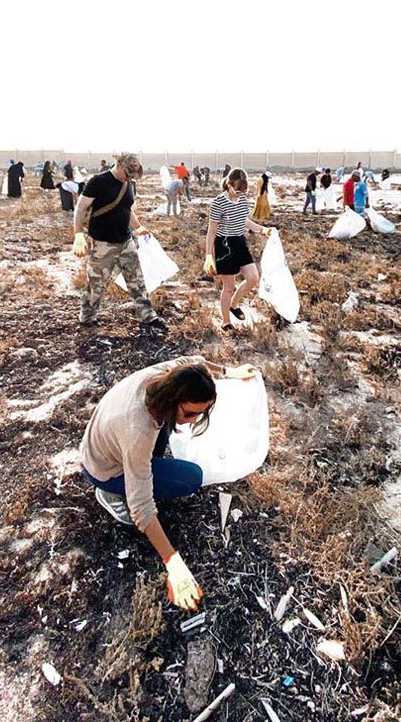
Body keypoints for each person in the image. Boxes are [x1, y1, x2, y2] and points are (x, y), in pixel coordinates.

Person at [82, 356, 258, 610]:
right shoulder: (140, 429)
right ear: (174, 400)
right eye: (189, 413)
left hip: (103, 445)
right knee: (189, 479)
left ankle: (136, 472)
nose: (195, 420)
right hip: (104, 468)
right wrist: (173, 562)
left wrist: (230, 371)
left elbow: (197, 362)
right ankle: (110, 494)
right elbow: (141, 506)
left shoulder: (165, 377)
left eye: (200, 413)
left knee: (155, 458)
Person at [72, 153, 165, 330]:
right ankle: (87, 317)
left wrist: (138, 227)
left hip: (125, 240)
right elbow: (81, 208)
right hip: (102, 243)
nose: (129, 179)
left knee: (136, 280)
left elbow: (127, 208)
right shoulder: (98, 181)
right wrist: (78, 235)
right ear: (119, 165)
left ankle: (147, 315)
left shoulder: (128, 183)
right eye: (128, 174)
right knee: (96, 283)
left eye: (132, 176)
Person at [203, 168, 273, 332]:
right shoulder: (218, 203)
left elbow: (245, 221)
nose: (239, 193)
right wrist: (208, 256)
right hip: (224, 246)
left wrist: (263, 230)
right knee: (228, 287)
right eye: (237, 189)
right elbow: (211, 232)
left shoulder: (242, 200)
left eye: (243, 190)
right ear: (228, 185)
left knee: (253, 278)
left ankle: (234, 303)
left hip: (240, 243)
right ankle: (226, 322)